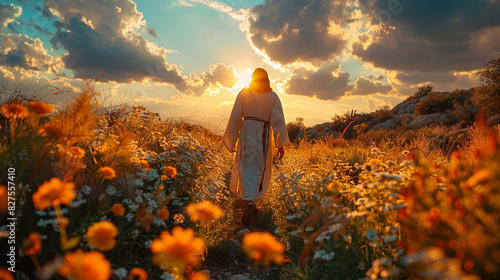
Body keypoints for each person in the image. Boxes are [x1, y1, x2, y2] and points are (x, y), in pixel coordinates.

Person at [222, 68, 290, 227]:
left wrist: (232, 140)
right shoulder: (272, 96)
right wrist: (280, 144)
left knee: (246, 167)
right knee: (260, 169)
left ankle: (249, 203)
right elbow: (278, 120)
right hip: (263, 135)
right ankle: (253, 203)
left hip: (247, 133)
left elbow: (235, 116)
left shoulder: (244, 94)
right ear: (267, 79)